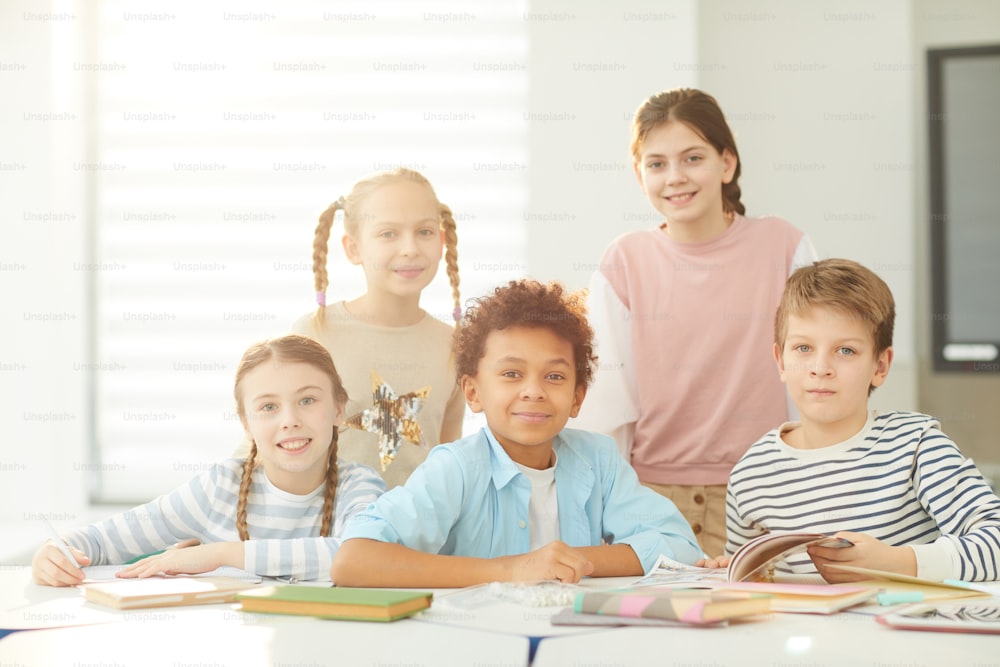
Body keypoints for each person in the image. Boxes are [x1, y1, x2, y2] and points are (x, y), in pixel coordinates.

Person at [330, 279, 703, 588]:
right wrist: (512, 569)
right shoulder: (456, 468)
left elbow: (679, 546)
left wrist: (568, 561)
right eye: (511, 374)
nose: (534, 391)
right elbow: (355, 560)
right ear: (473, 392)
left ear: (577, 398)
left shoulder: (598, 458)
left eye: (554, 376)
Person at [574, 87, 817, 557]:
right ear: (639, 174)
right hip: (651, 499)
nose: (675, 177)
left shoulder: (784, 247)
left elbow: (809, 385)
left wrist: (806, 485)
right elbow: (607, 406)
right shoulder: (624, 261)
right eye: (657, 163)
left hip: (764, 493)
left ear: (726, 164)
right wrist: (608, 508)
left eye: (692, 158)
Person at [713, 259, 1000, 582]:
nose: (820, 368)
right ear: (781, 361)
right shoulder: (751, 474)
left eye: (845, 351)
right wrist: (726, 570)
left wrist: (898, 562)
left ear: (880, 366)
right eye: (803, 348)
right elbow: (749, 577)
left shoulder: (917, 445)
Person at [31, 334, 386, 586]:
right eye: (268, 407)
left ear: (339, 407)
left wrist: (218, 555)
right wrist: (55, 552)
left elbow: (352, 558)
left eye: (308, 400)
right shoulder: (220, 488)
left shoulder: (361, 486)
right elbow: (104, 540)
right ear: (246, 423)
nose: (289, 419)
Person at [291, 168, 465, 489]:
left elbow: (448, 461)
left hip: (417, 536)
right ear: (353, 249)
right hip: (328, 534)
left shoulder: (454, 346)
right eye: (388, 234)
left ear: (441, 242)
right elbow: (266, 442)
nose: (410, 248)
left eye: (424, 232)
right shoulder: (316, 332)